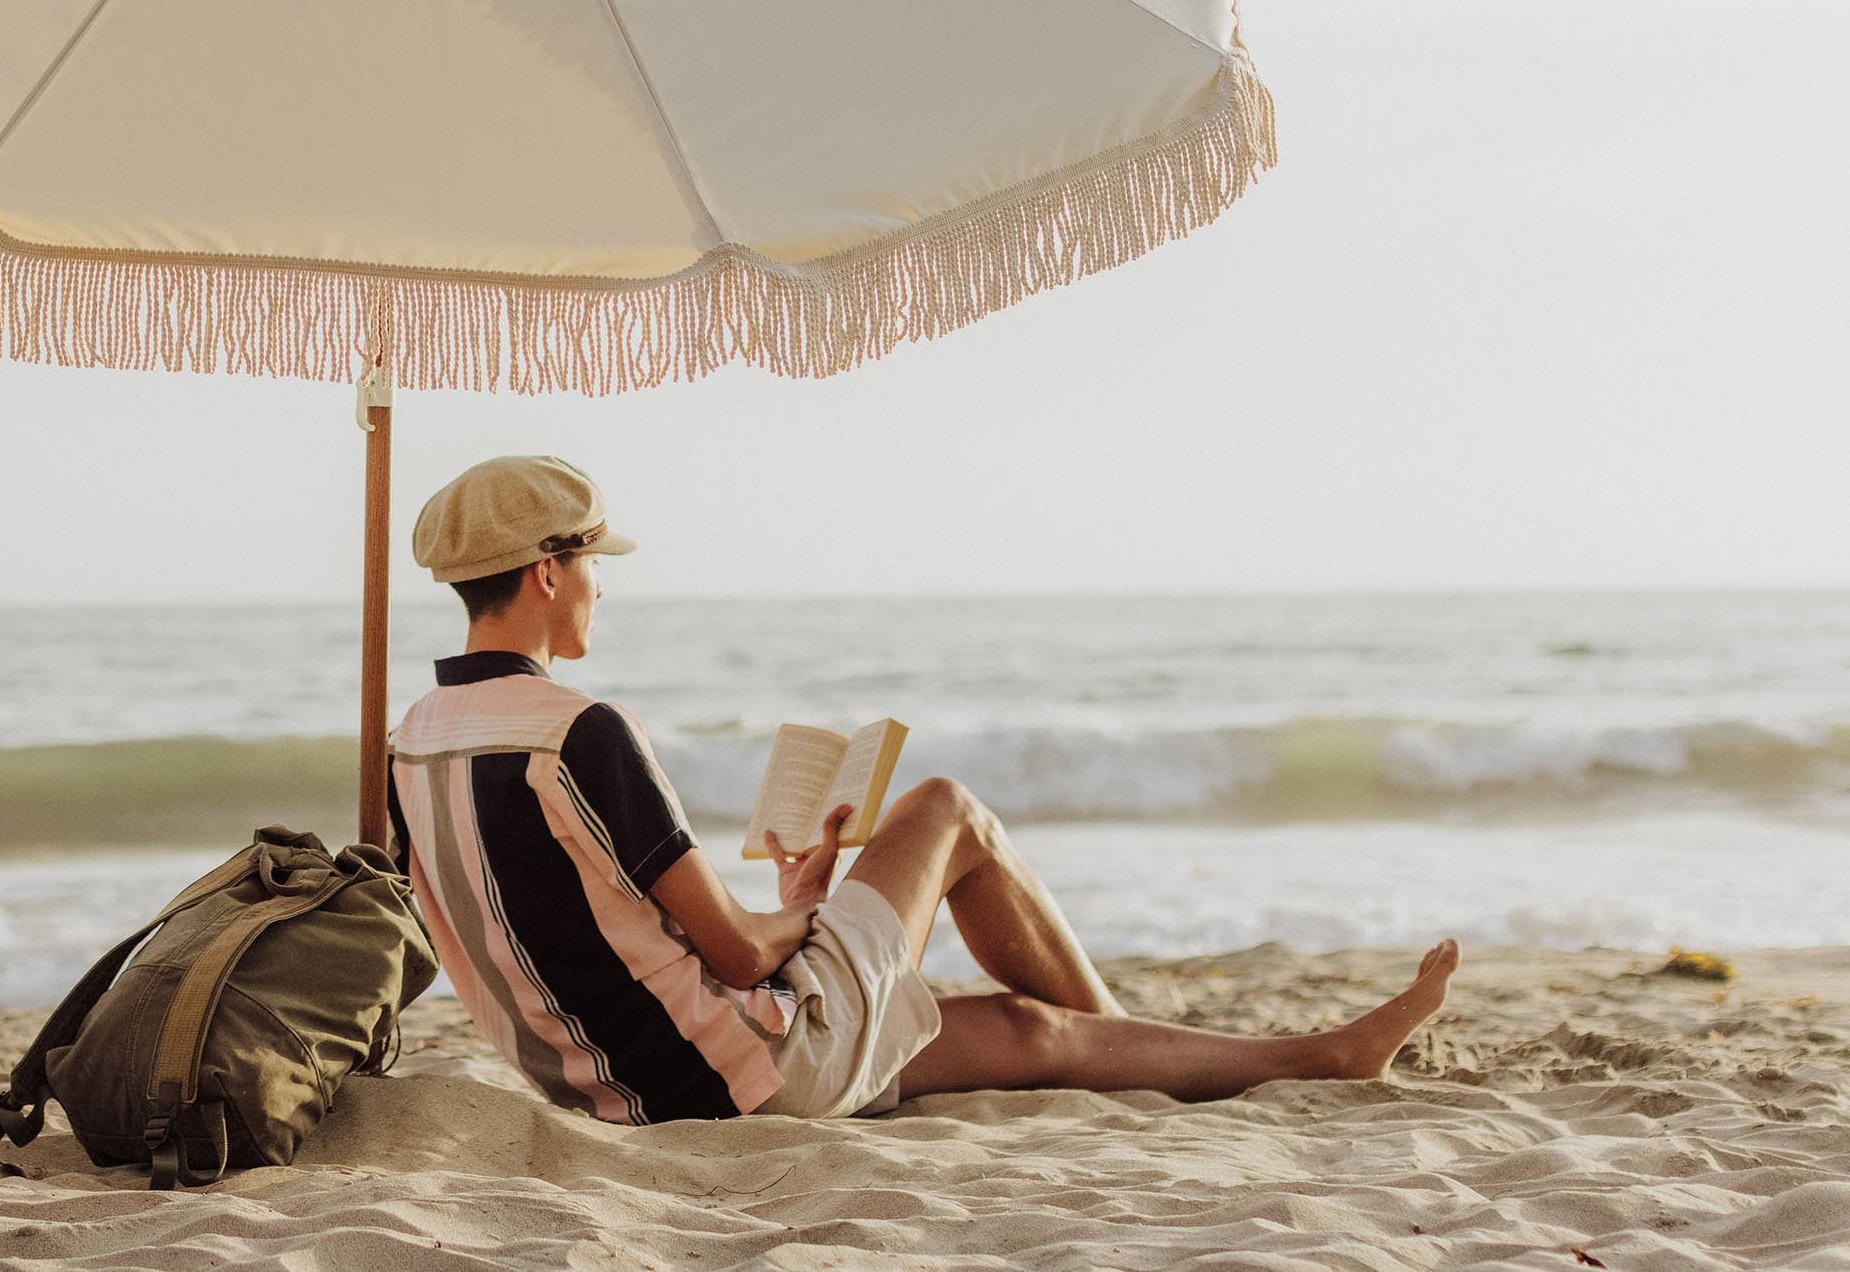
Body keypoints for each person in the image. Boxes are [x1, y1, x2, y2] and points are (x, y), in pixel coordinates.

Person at [383, 454, 1460, 1124]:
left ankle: (1305, 1057)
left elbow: (565, 932)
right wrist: (807, 903)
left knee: (1029, 1034)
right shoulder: (580, 731)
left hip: (615, 1090)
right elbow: (737, 955)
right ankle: (1171, 1043)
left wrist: (794, 908)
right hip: (748, 1068)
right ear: (546, 573)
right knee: (947, 808)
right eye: (593, 564)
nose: (601, 585)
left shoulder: (411, 746)